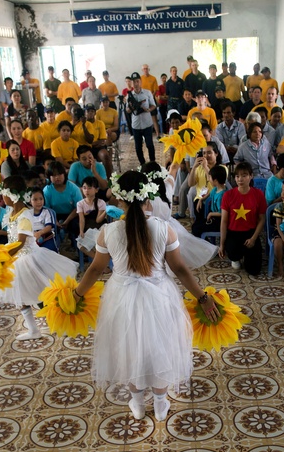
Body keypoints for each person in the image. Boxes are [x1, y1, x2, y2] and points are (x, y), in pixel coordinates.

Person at [74, 170, 220, 421]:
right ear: (147, 198)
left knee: (129, 347)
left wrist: (76, 294)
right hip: (159, 296)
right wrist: (203, 298)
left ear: (119, 200)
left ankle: (138, 402)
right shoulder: (164, 229)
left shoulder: (107, 232)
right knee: (159, 346)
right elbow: (180, 269)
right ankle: (161, 402)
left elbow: (95, 269)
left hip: (121, 298)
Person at [0, 175, 77, 339]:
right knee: (21, 297)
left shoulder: (24, 216)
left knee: (46, 294)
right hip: (16, 260)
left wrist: (3, 258)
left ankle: (61, 322)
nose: (2, 198)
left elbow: (21, 242)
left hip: (28, 259)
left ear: (13, 195)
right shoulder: (12, 213)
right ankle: (33, 330)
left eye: (4, 195)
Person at [219, 162, 267, 276]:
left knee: (254, 270)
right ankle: (236, 258)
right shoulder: (228, 195)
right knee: (233, 252)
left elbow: (261, 219)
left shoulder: (258, 194)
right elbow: (224, 221)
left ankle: (248, 255)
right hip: (234, 232)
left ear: (251, 176)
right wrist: (222, 244)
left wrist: (253, 238)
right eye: (237, 176)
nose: (240, 179)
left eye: (244, 175)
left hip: (250, 232)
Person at [43, 161, 82, 251]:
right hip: (54, 215)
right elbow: (47, 209)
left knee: (76, 226)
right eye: (54, 175)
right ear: (49, 177)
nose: (57, 177)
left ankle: (78, 249)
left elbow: (78, 207)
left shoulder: (73, 188)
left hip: (72, 215)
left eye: (59, 174)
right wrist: (55, 221)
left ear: (64, 174)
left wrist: (67, 221)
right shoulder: (47, 190)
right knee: (50, 228)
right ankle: (54, 249)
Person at [125, 72, 159, 165]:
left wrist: (148, 110)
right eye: (134, 82)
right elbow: (127, 110)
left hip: (147, 123)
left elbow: (154, 105)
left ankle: (152, 163)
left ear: (140, 82)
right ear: (131, 83)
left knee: (150, 145)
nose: (135, 84)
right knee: (138, 147)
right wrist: (131, 107)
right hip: (136, 125)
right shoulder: (129, 95)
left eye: (137, 81)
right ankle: (142, 164)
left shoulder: (147, 93)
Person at [191, 165, 228, 239]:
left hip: (219, 222)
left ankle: (205, 244)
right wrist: (201, 199)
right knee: (195, 225)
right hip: (213, 218)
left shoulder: (222, 196)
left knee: (196, 229)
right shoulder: (215, 189)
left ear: (215, 181)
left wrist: (211, 214)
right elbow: (209, 194)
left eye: (210, 177)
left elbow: (223, 213)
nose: (208, 179)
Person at [76, 176, 107, 258]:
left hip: (100, 227)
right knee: (80, 244)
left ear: (96, 190)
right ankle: (97, 260)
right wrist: (81, 231)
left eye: (89, 188)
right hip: (89, 229)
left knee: (101, 240)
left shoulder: (101, 202)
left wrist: (105, 212)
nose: (86, 191)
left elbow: (98, 220)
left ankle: (103, 263)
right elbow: (81, 219)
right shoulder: (80, 204)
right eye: (84, 188)